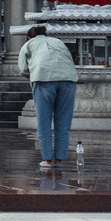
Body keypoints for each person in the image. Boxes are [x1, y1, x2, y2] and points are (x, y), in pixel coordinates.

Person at [19, 24, 77, 170]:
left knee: (44, 121)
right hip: (68, 80)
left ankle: (48, 160)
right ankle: (58, 159)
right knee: (63, 122)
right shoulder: (58, 42)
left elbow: (23, 68)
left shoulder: (29, 44)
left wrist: (33, 76)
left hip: (43, 79)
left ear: (28, 37)